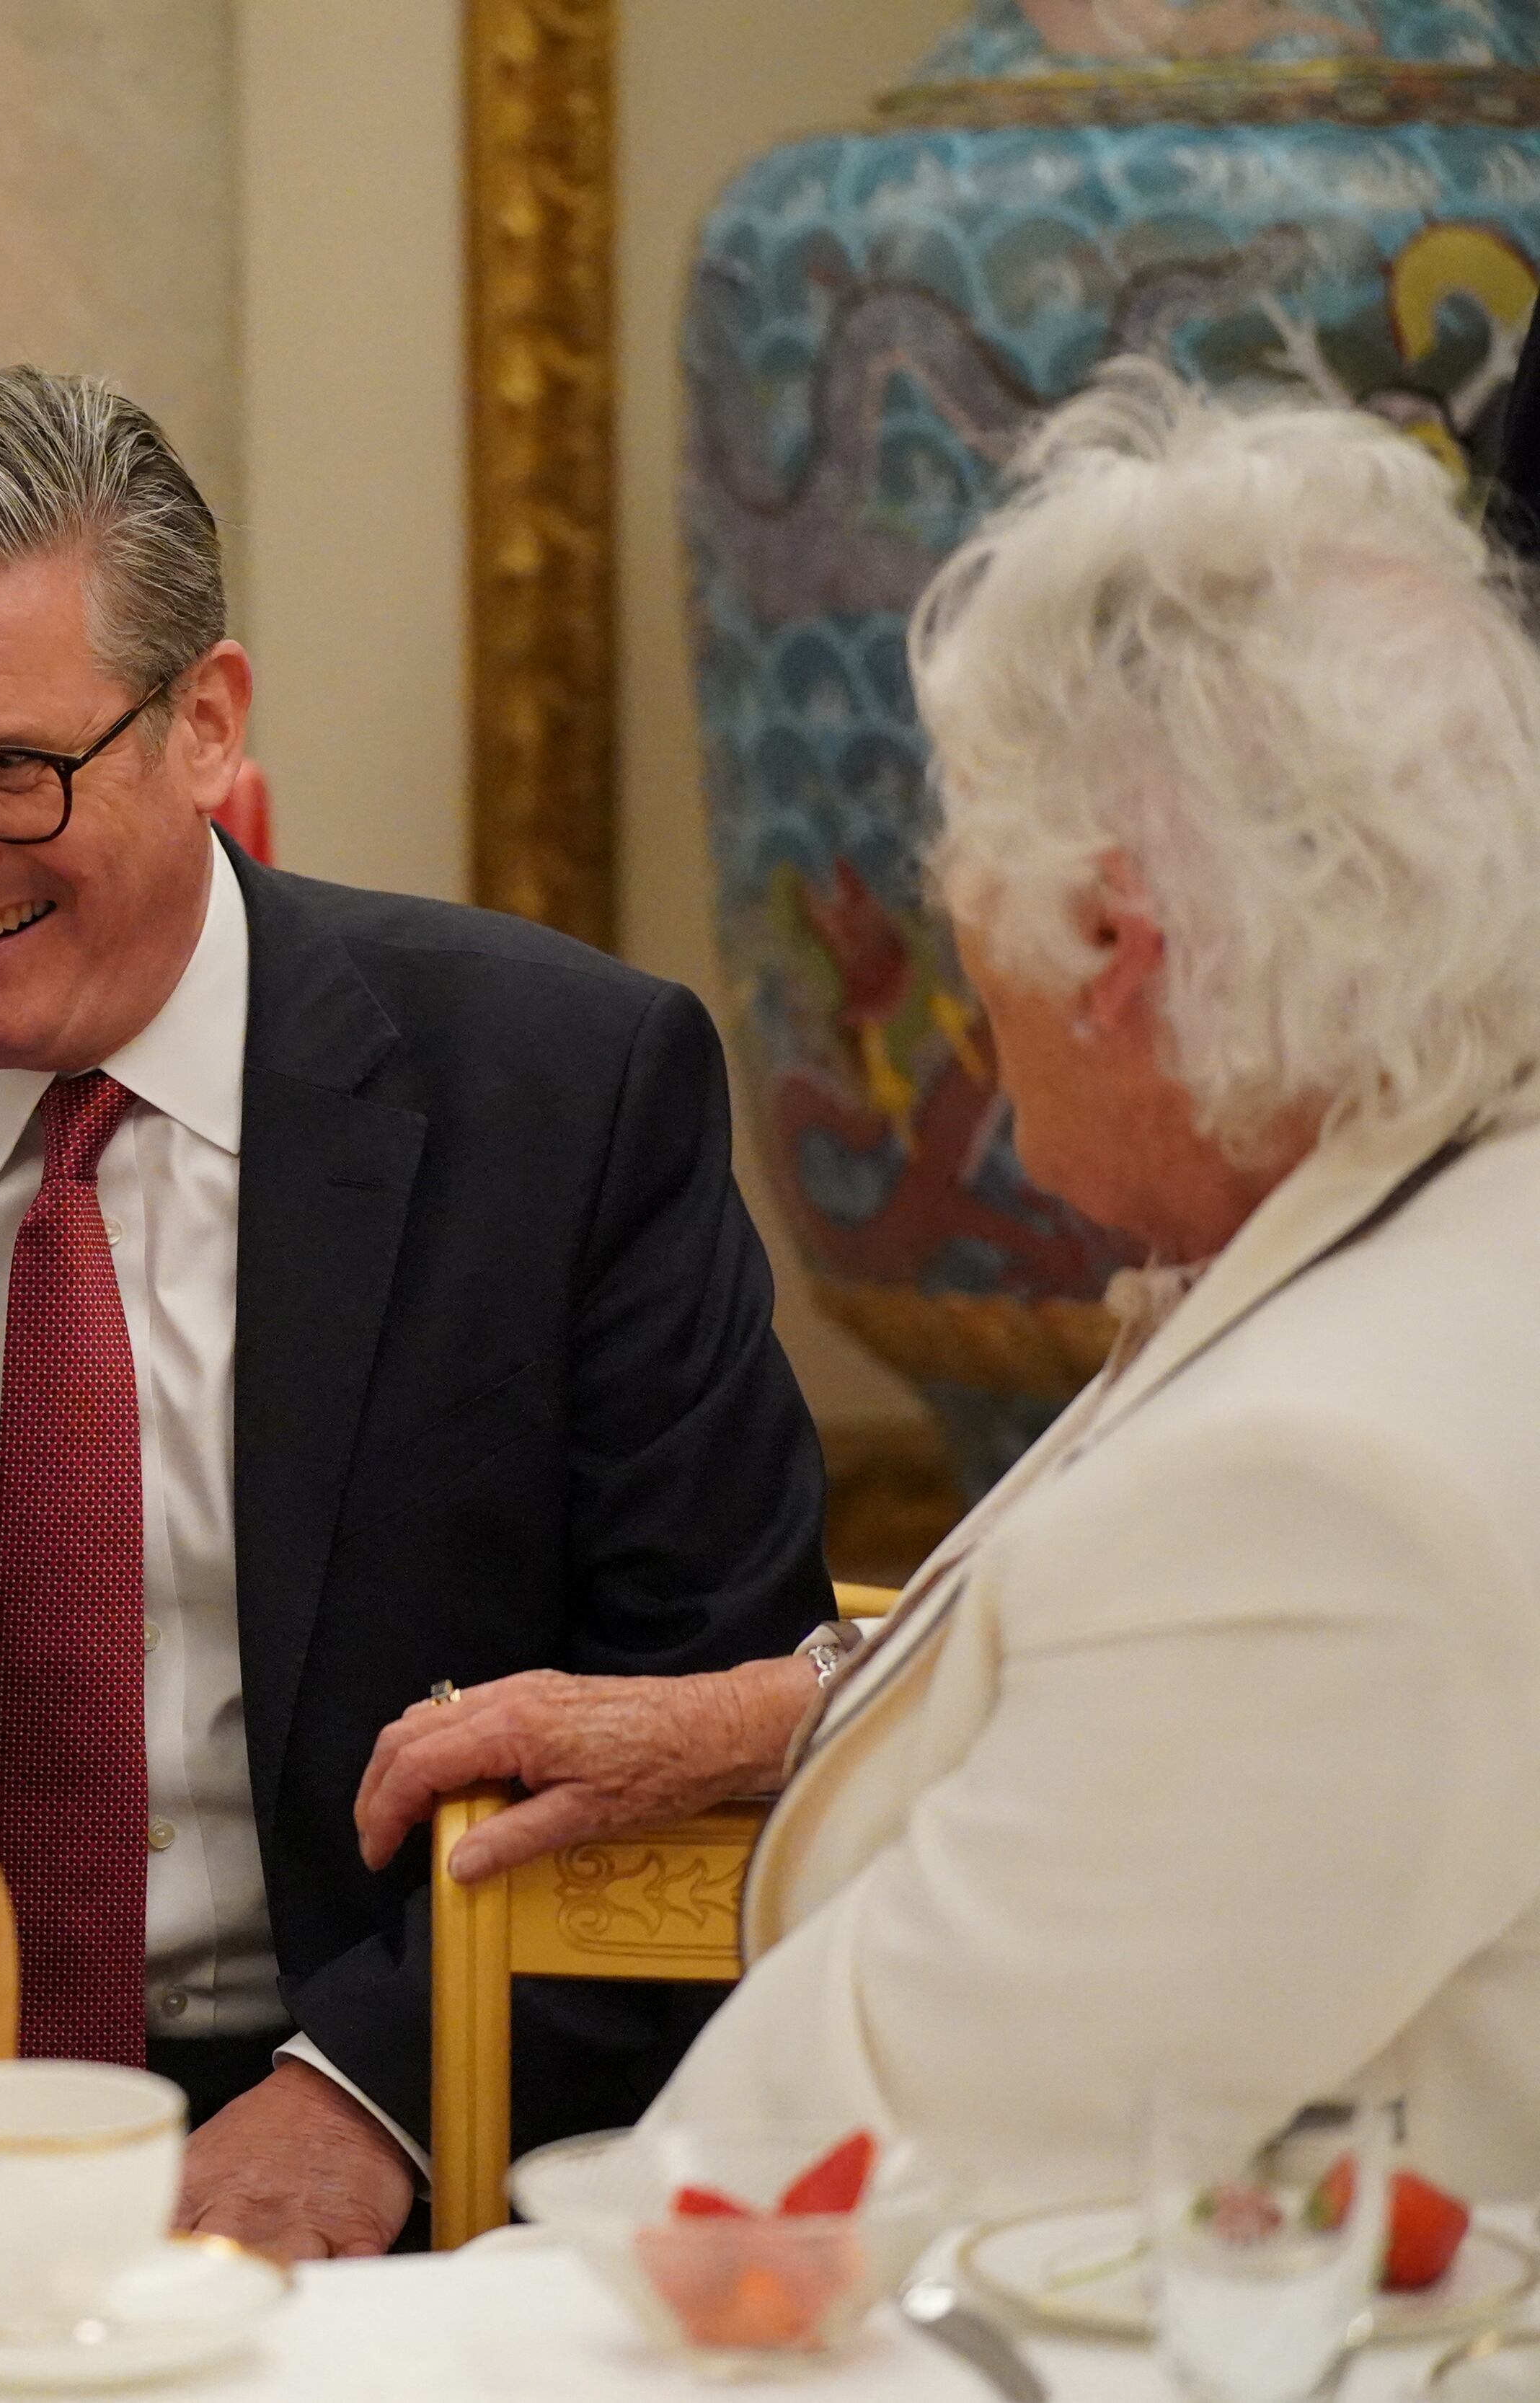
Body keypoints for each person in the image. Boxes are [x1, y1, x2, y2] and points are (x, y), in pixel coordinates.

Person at [0, 367, 833, 2257]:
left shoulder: (564, 1095)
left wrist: (369, 2101)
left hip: (445, 2138)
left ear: (207, 726)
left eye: (11, 769)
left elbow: (712, 1704)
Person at [356, 363, 1540, 2211]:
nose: (946, 934)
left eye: (958, 850)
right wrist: (789, 1706)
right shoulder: (1450, 1207)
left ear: (1112, 938)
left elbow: (790, 2214)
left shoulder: (1312, 1493)